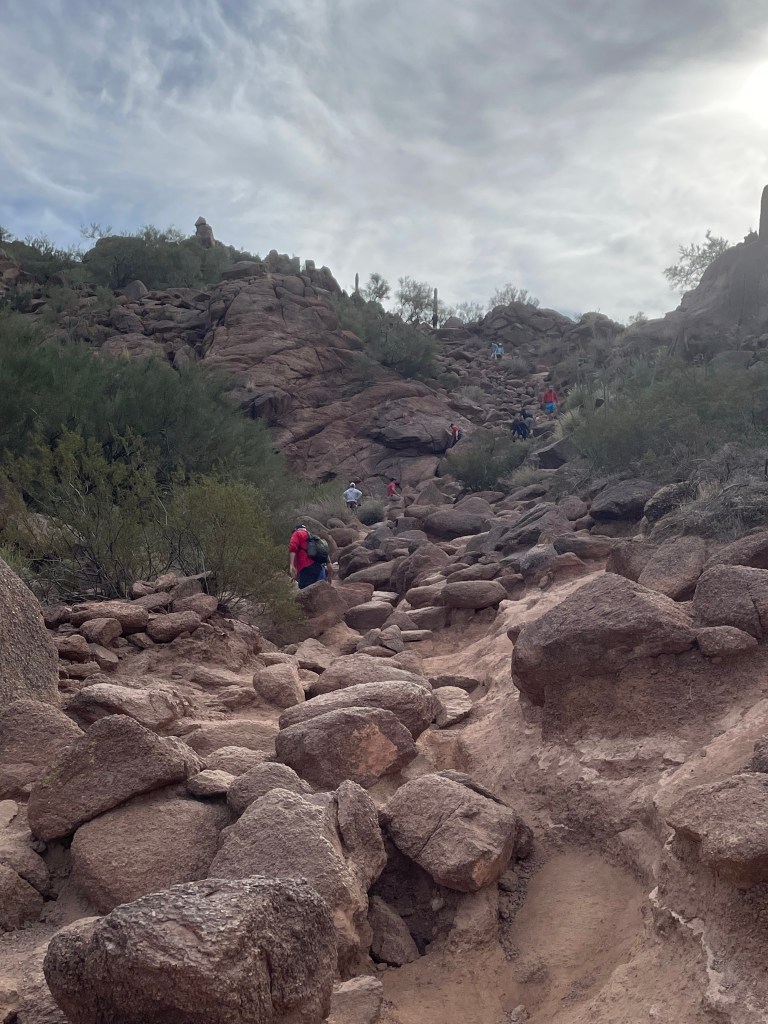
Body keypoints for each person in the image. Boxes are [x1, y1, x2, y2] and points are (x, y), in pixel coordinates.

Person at [288, 523, 329, 589]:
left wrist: (291, 564)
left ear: (296, 529)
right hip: (318, 566)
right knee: (317, 591)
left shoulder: (297, 533)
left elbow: (293, 547)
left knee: (305, 590)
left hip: (306, 567)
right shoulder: (312, 536)